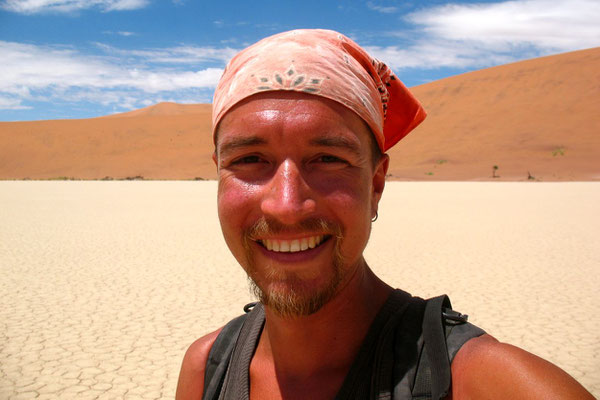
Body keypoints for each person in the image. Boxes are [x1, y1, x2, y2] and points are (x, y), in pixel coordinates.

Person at [176, 29, 594, 400]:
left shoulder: (480, 381)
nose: (286, 205)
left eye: (327, 158)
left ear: (376, 184)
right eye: (250, 159)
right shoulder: (208, 368)